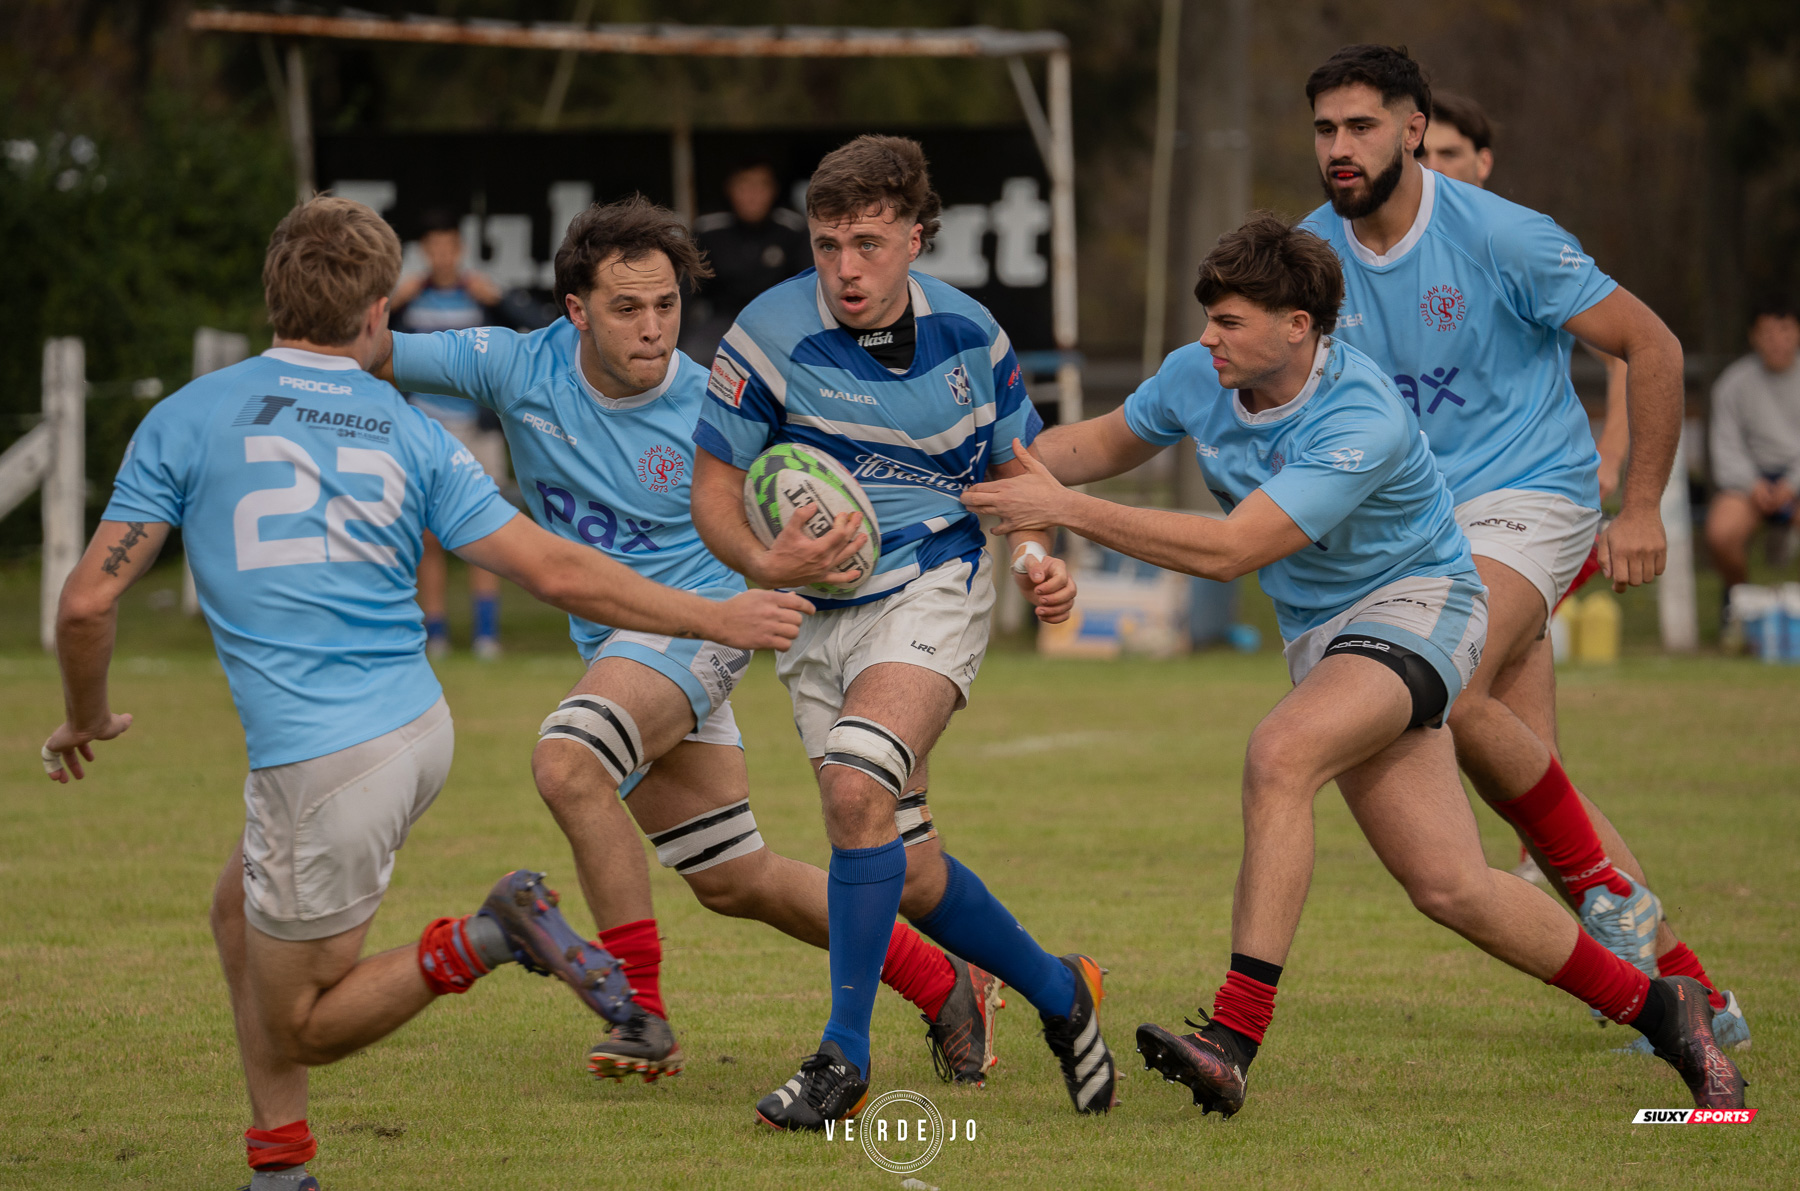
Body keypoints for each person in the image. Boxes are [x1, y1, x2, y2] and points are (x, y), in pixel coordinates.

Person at [35, 197, 811, 1191]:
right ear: (377, 309)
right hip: (418, 726)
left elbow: (86, 604)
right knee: (238, 912)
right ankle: (280, 1164)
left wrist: (87, 715)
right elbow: (553, 569)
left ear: (274, 295)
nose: (653, 325)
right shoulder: (412, 431)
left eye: (664, 306)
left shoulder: (191, 414)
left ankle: (491, 937)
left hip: (324, 755)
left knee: (304, 1023)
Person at [964, 212, 1745, 1118]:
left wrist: (1069, 512)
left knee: (1281, 752)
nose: (1209, 337)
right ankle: (1666, 1008)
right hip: (1327, 638)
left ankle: (1232, 1039)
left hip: (1422, 605)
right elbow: (1087, 447)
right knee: (1450, 884)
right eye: (1209, 318)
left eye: (1230, 321)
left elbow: (1232, 550)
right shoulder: (1197, 373)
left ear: (1298, 326)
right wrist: (989, 461)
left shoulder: (1360, 414)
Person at [375, 195, 1004, 1088]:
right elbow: (369, 349)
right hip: (615, 647)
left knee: (568, 760)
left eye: (666, 305)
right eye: (627, 307)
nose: (653, 327)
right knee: (734, 877)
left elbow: (835, 486)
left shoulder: (716, 408)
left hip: (702, 625)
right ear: (576, 310)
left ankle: (638, 1009)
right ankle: (944, 981)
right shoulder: (517, 366)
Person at [1298, 45, 1747, 1048]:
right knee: (1531, 784)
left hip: (1528, 499)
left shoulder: (1503, 235)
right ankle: (1693, 995)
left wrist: (1641, 506)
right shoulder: (1308, 259)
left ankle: (1603, 899)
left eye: (1362, 125)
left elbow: (1653, 344)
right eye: (1325, 128)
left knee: (1440, 680)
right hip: (1417, 530)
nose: (1339, 146)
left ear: (1414, 130)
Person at [690, 135, 1113, 1130]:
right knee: (905, 865)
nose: (845, 268)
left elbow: (1018, 478)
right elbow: (711, 493)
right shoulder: (766, 335)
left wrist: (1038, 557)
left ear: (916, 238)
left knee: (853, 784)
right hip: (815, 613)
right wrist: (764, 561)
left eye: (869, 244)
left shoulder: (972, 337)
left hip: (935, 580)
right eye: (828, 244)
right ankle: (1063, 994)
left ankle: (843, 1056)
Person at [1415, 88, 1632, 886]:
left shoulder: (1510, 239)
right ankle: (1608, 914)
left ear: (1484, 162)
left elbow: (1629, 344)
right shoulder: (1385, 249)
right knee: (1522, 736)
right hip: (1443, 520)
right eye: (1422, 153)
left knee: (1458, 686)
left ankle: (1560, 877)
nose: (1433, 166)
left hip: (1526, 503)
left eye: (1449, 153)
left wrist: (1614, 455)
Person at [391, 208, 509, 658]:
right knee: (429, 537)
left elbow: (535, 327)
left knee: (488, 529)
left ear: (459, 248)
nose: (441, 255)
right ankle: (436, 632)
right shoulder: (408, 298)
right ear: (424, 251)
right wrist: (394, 303)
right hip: (425, 429)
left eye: (449, 246)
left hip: (478, 428)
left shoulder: (480, 293)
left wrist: (498, 298)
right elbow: (363, 340)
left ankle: (486, 634)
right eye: (433, 247)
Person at [1704, 299, 1800, 601]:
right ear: (1753, 337)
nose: (1777, 341)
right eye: (1767, 333)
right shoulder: (1732, 383)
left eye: (1785, 331)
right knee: (1721, 533)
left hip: (1796, 480)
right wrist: (1752, 483)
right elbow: (1725, 444)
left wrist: (1792, 484)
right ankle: (1740, 605)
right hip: (1750, 482)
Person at [683, 159, 812, 361]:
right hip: (722, 320)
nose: (753, 195)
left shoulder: (792, 229)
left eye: (761, 186)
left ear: (774, 190)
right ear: (730, 189)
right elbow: (687, 290)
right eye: (744, 186)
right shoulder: (709, 230)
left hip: (780, 321)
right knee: (693, 357)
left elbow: (808, 285)